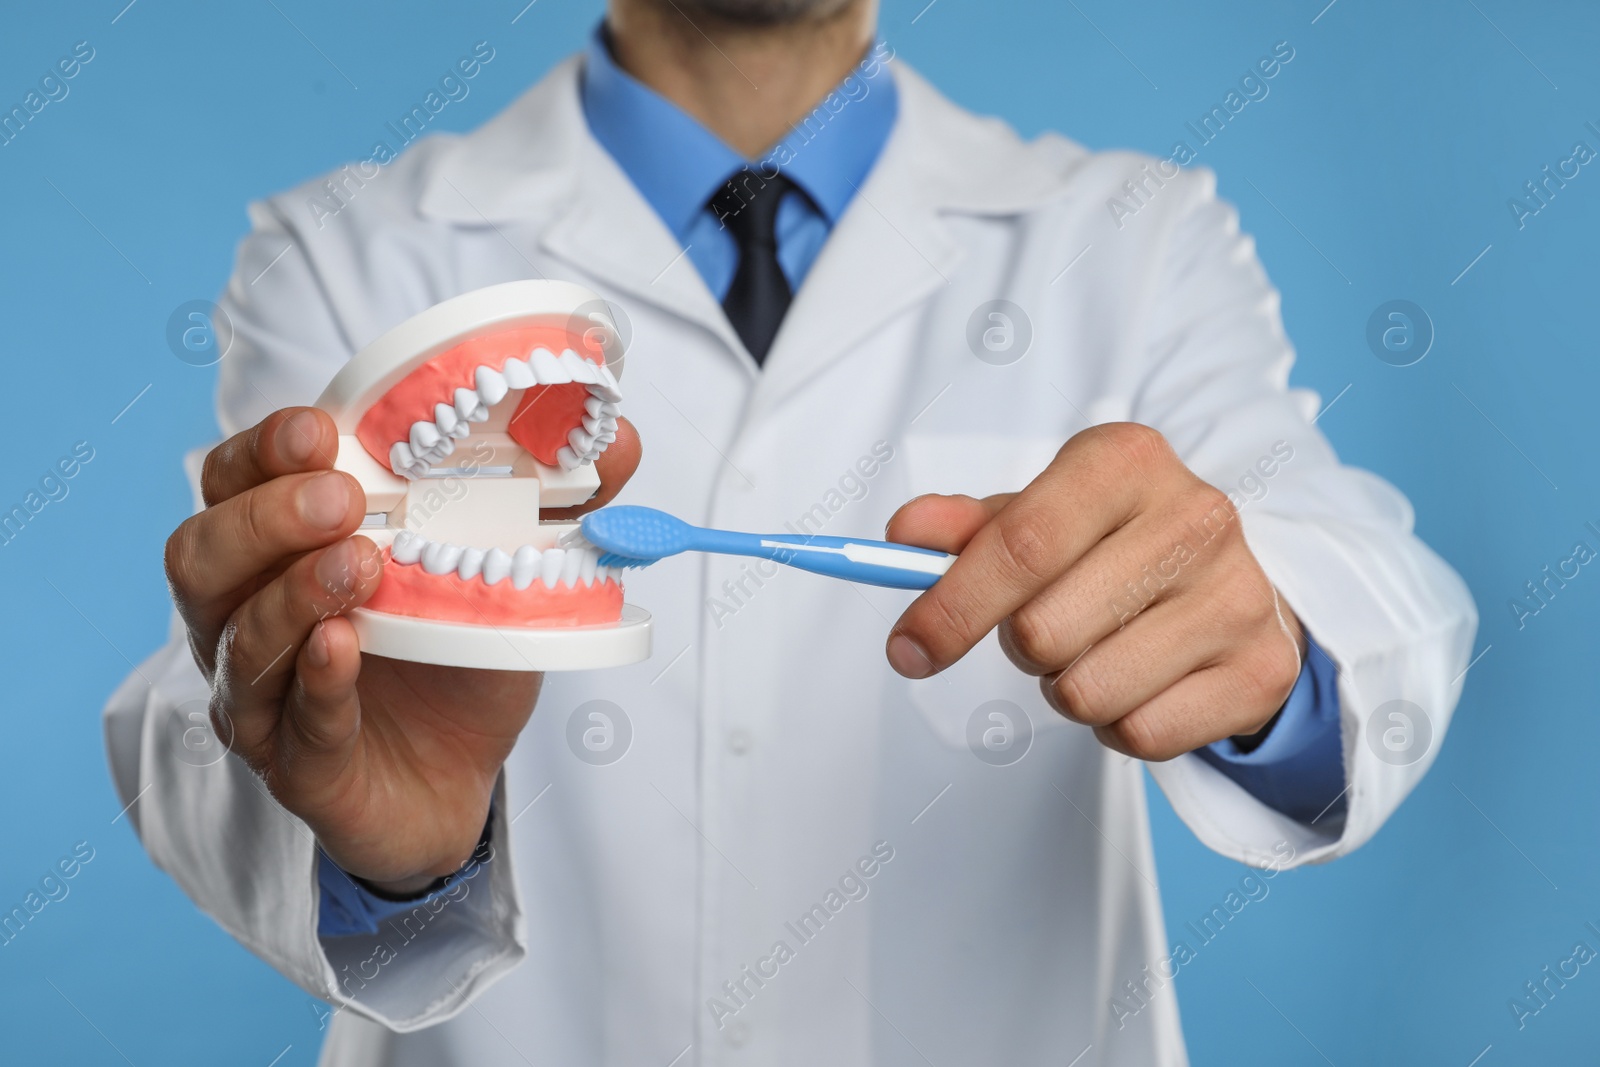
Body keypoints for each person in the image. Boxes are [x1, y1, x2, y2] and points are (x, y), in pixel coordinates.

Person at [102, 0, 1477, 1062]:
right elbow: (201, 705)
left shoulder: (1134, 240)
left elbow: (1358, 578)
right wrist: (396, 861)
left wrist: (1271, 657)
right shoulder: (350, 248)